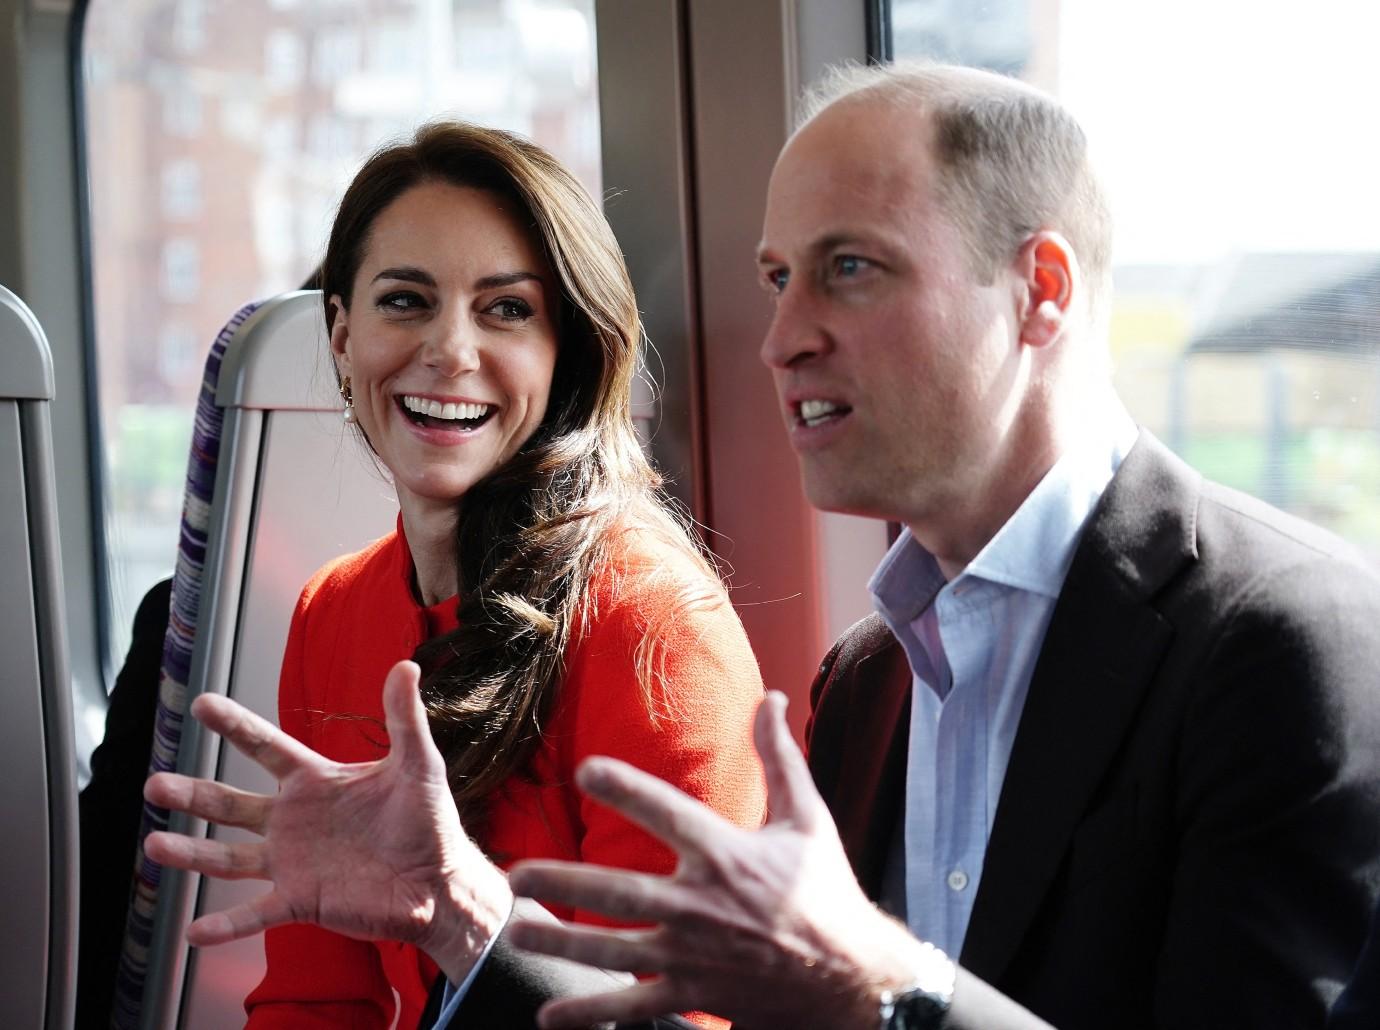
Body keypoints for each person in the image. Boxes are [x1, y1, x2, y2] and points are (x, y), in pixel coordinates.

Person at [148, 65, 1380, 1029]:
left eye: (850, 270)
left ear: (1039, 291)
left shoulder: (1287, 641)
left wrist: (883, 990)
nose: (781, 336)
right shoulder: (869, 683)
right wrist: (461, 916)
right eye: (779, 278)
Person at [147, 121, 767, 1030]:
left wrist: (462, 915)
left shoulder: (652, 624)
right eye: (406, 300)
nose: (450, 349)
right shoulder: (334, 610)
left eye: (506, 309)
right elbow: (315, 1002)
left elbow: (676, 1021)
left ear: (567, 356)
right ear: (341, 335)